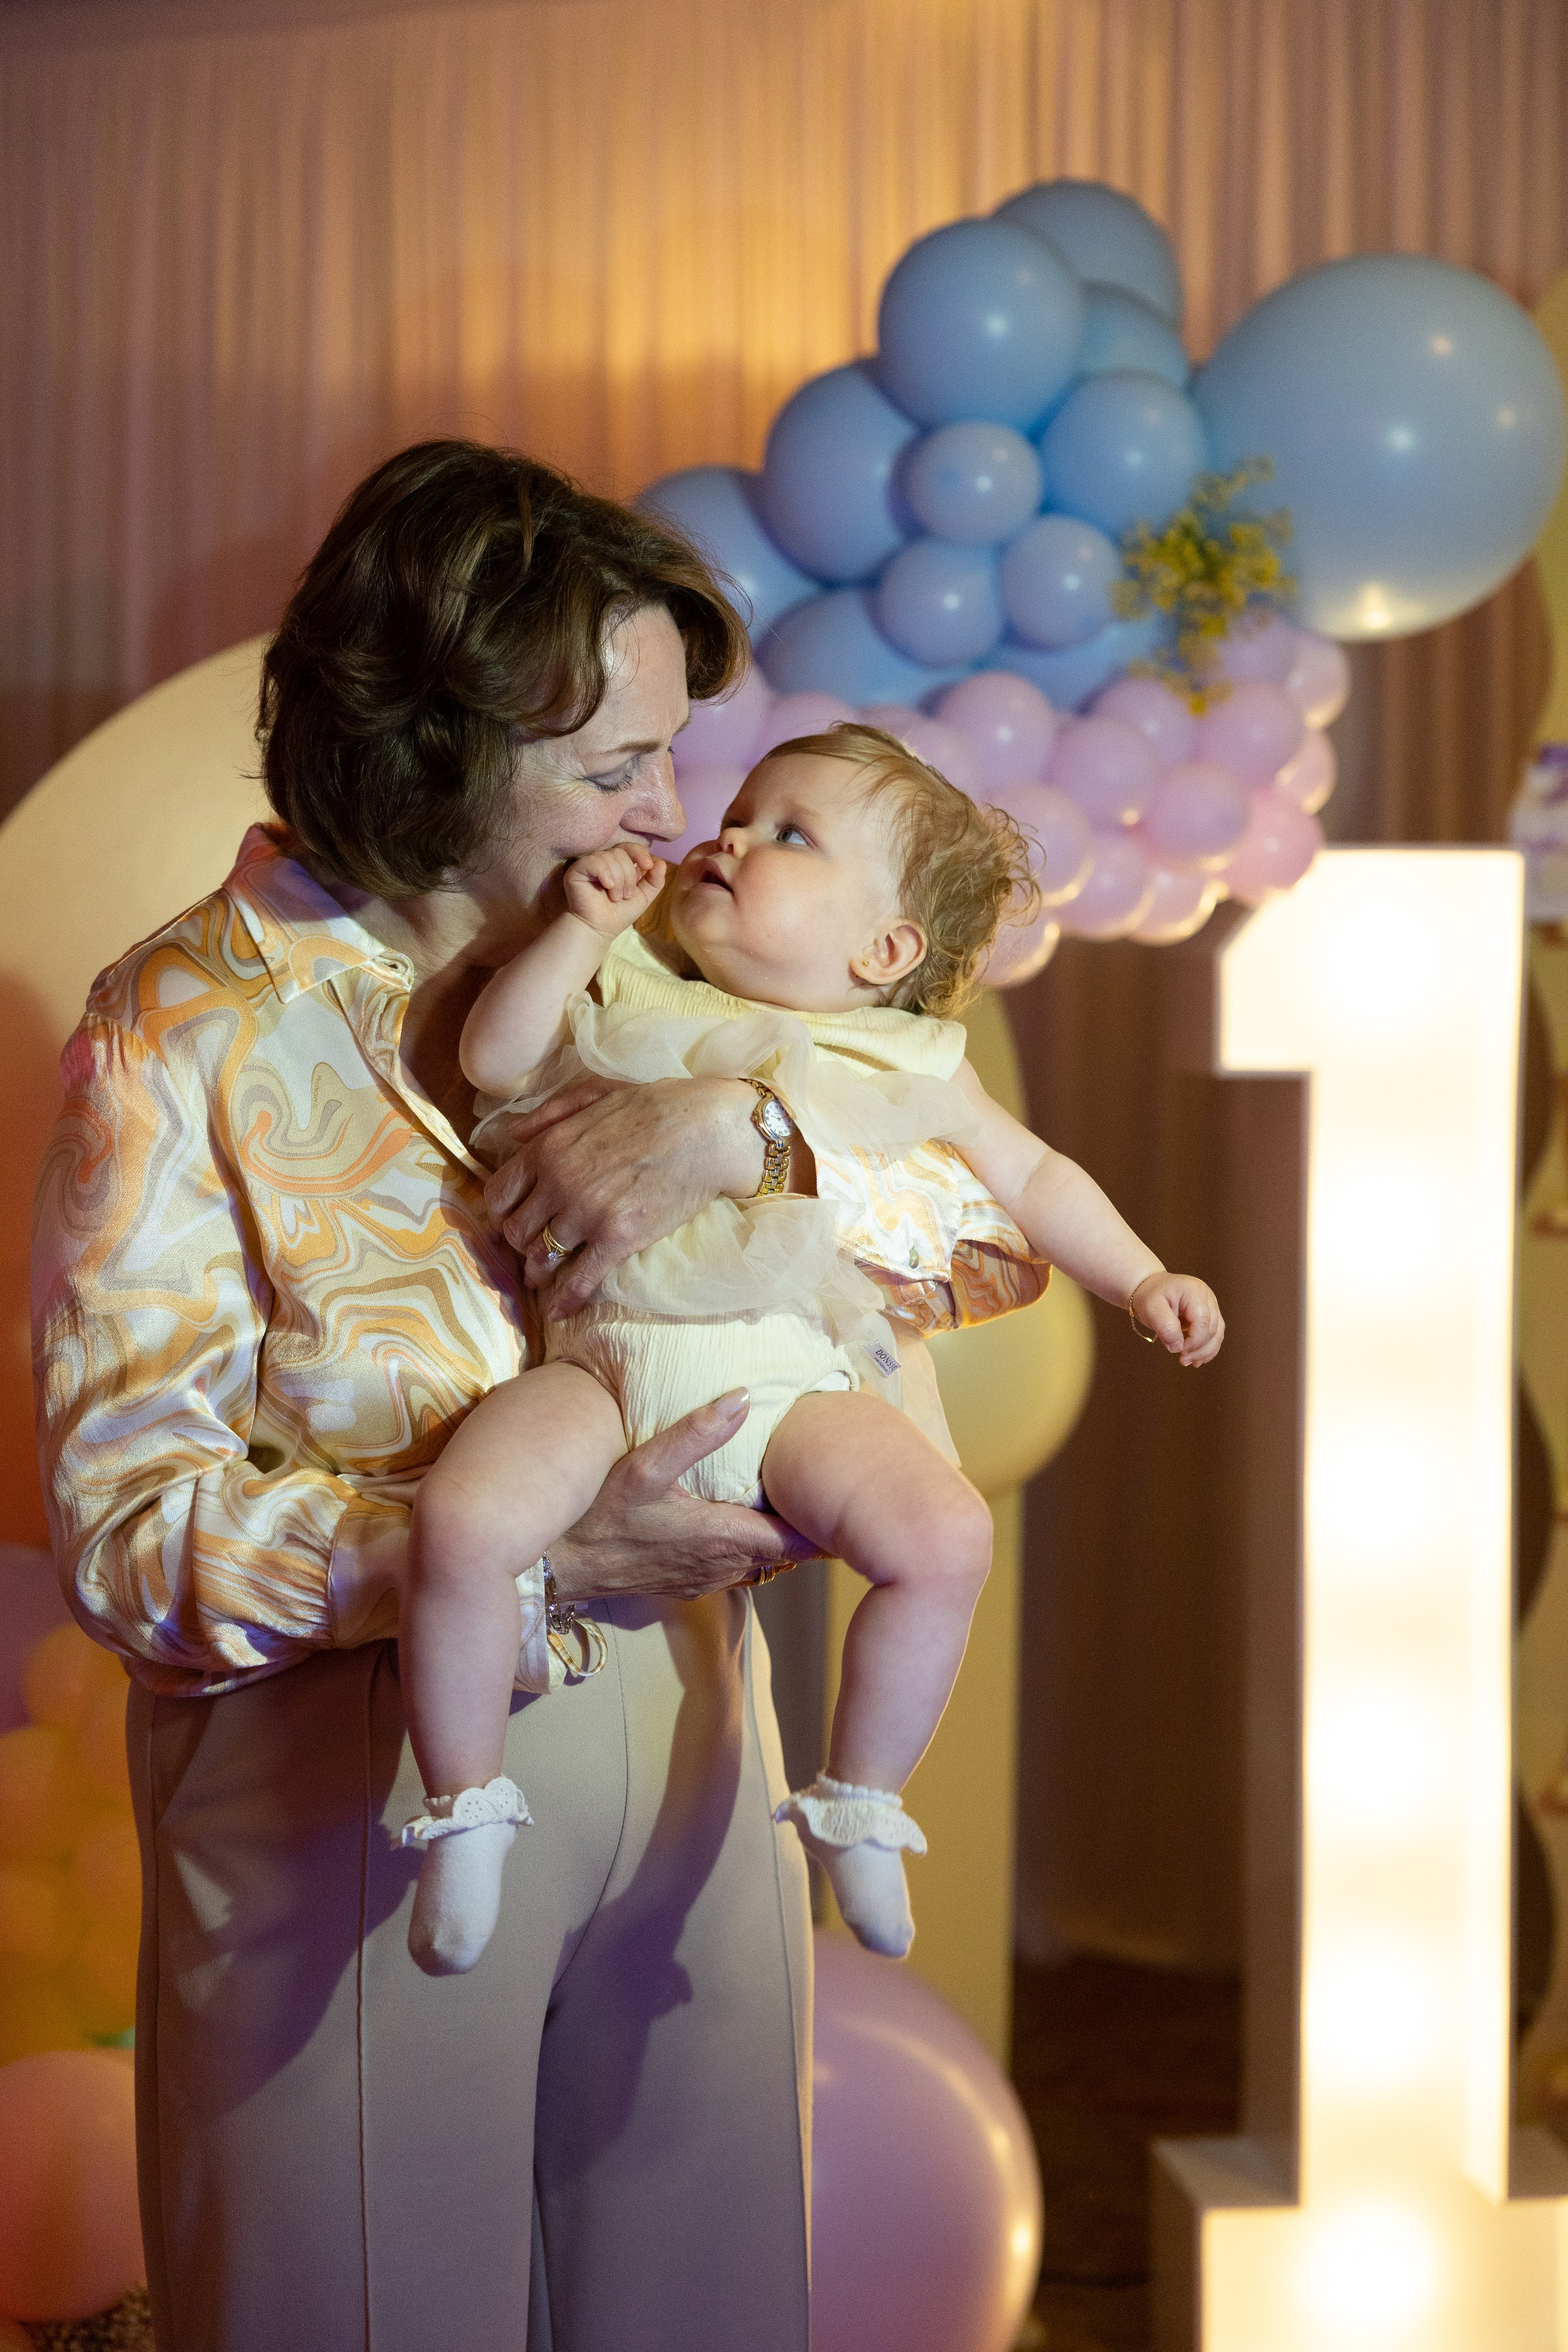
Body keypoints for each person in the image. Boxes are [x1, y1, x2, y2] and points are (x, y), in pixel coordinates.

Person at [31, 440, 832, 2352]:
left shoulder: (679, 976)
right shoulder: (182, 1030)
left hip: (704, 1761)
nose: (680, 810)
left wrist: (749, 1125)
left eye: (674, 749)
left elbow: (982, 1243)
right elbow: (131, 1539)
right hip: (350, 1810)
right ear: (436, 754)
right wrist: (517, 1560)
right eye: (618, 764)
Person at [400, 723, 1225, 1975]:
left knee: (944, 1537)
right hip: (600, 1365)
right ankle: (463, 1812)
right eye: (739, 812)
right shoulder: (628, 975)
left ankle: (862, 1796)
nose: (730, 835)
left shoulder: (910, 1061)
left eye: (790, 834)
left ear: (882, 950)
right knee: (462, 1521)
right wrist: (575, 929)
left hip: (789, 1385)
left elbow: (1032, 1180)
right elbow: (492, 1058)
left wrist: (1144, 1275)